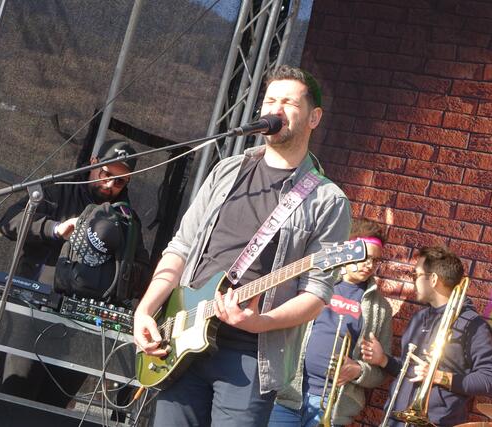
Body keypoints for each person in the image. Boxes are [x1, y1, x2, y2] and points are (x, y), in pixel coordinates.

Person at [133, 65, 352, 427]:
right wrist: (145, 310)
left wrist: (260, 322)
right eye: (270, 100)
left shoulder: (328, 201)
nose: (276, 109)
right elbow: (181, 247)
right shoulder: (227, 170)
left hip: (250, 356)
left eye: (289, 102)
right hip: (182, 337)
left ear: (314, 118)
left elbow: (316, 295)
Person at [0, 139, 151, 407]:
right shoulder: (58, 190)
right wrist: (55, 229)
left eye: (119, 182)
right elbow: (9, 222)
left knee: (52, 411)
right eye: (105, 174)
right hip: (33, 314)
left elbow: (143, 273)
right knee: (12, 403)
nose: (109, 185)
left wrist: (120, 268)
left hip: (83, 329)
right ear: (93, 162)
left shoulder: (127, 219)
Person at [268, 219, 393, 427]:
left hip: (332, 404)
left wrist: (359, 370)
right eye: (364, 257)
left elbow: (381, 371)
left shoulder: (380, 308)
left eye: (375, 260)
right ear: (348, 251)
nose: (369, 265)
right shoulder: (314, 284)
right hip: (287, 394)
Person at [361, 246, 492, 427]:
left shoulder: (473, 325)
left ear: (433, 279)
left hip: (435, 422)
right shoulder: (419, 318)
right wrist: (383, 360)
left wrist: (439, 376)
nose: (413, 281)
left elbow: (489, 381)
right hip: (395, 420)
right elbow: (410, 370)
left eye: (416, 275)